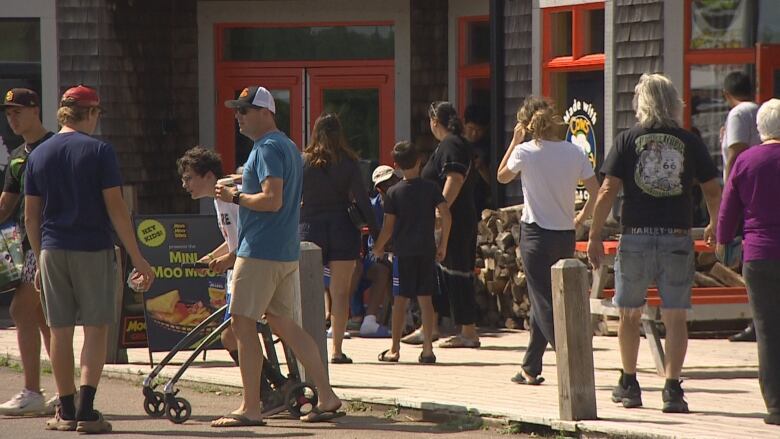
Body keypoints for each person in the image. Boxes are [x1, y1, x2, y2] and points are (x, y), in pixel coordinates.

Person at [587, 74, 721, 413]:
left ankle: (630, 383)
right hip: (676, 235)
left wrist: (594, 233)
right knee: (676, 315)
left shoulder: (627, 139)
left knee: (629, 312)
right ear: (674, 101)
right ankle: (672, 388)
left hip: (635, 234)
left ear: (641, 102)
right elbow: (711, 188)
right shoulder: (688, 140)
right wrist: (714, 222)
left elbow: (607, 190)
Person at [24, 85, 155, 433]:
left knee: (60, 330)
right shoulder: (99, 151)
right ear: (91, 112)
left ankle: (65, 410)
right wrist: (138, 257)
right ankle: (86, 409)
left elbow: (30, 217)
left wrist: (38, 259)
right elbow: (116, 208)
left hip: (51, 248)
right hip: (92, 247)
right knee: (96, 329)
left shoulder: (38, 154)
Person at [212, 85, 342, 427]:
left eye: (244, 110)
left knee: (242, 324)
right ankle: (326, 396)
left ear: (265, 112)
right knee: (287, 326)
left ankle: (250, 407)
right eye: (236, 110)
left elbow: (271, 199)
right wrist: (243, 180)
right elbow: (275, 189)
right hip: (284, 252)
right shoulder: (287, 146)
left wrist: (234, 195)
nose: (238, 116)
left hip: (259, 252)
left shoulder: (266, 147)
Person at [496, 97, 599, 385]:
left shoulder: (526, 152)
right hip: (564, 234)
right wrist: (581, 219)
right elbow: (597, 190)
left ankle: (573, 361)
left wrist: (514, 142)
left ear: (528, 126)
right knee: (546, 299)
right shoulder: (575, 151)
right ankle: (530, 367)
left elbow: (501, 177)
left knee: (542, 301)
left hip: (536, 234)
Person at [717, 98, 780, 425]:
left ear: (760, 129)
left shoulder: (745, 161)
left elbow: (728, 208)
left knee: (767, 329)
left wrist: (723, 241)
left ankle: (775, 405)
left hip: (757, 255)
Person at [299, 113, 377, 363]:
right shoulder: (349, 162)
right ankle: (336, 350)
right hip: (343, 228)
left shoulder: (304, 162)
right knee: (340, 293)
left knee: (309, 293)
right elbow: (362, 200)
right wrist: (376, 232)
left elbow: (292, 197)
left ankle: (309, 349)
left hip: (310, 228)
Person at [0, 88, 55, 416]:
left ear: (35, 110)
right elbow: (6, 204)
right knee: (42, 317)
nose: (12, 117)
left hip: (51, 240)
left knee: (21, 309)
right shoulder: (19, 155)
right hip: (22, 244)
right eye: (8, 113)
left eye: (18, 111)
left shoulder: (55, 147)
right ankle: (65, 391)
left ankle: (33, 390)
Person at [374, 142, 451, 364]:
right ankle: (428, 349)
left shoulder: (393, 193)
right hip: (426, 250)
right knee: (426, 300)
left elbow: (388, 227)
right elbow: (446, 214)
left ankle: (394, 349)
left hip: (403, 252)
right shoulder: (431, 188)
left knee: (400, 301)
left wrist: (378, 247)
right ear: (420, 161)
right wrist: (443, 243)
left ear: (396, 165)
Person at [416, 101, 480, 349]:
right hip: (454, 217)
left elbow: (454, 178)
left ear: (434, 122)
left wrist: (440, 213)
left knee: (457, 272)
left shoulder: (452, 144)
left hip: (455, 219)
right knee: (440, 275)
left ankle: (468, 332)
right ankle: (430, 327)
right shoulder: (452, 144)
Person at [176, 146, 241, 363]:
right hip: (235, 275)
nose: (184, 185)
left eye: (189, 178)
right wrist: (211, 257)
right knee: (233, 336)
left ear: (210, 176)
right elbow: (233, 240)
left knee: (233, 335)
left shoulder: (228, 196)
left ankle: (266, 387)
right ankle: (266, 387)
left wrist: (230, 259)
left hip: (247, 271)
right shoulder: (217, 200)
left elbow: (249, 239)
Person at [720, 71, 760, 343]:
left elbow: (736, 151)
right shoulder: (761, 110)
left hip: (741, 191)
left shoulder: (737, 114)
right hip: (761, 189)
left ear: (726, 95)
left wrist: (729, 191)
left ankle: (754, 321)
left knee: (744, 257)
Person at [350, 165, 403, 337]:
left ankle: (401, 320)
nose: (390, 187)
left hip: (402, 253)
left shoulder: (406, 202)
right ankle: (368, 320)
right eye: (385, 185)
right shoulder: (372, 207)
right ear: (378, 188)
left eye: (392, 182)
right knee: (382, 268)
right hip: (376, 256)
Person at [463, 104, 492, 217]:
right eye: (471, 129)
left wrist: (481, 167)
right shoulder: (455, 144)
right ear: (464, 123)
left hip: (479, 202)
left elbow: (493, 183)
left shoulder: (487, 147)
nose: (474, 134)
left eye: (479, 130)